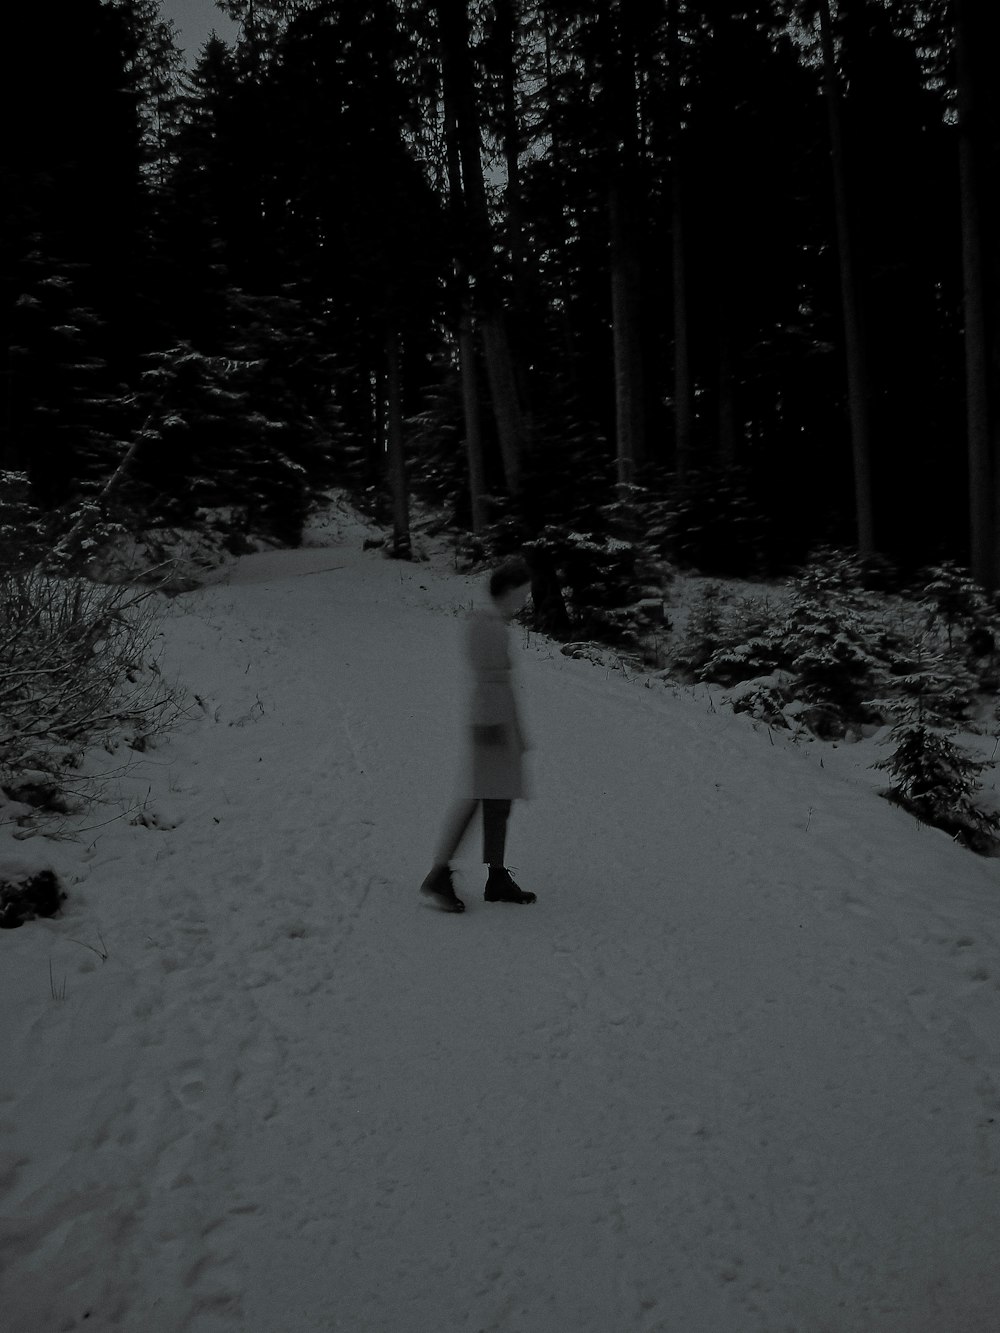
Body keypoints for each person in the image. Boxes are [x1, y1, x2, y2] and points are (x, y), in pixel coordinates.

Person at [420, 557, 537, 913]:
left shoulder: (493, 624)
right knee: (479, 798)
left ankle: (497, 876)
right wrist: (494, 729)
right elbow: (488, 683)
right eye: (523, 593)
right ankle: (439, 873)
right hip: (492, 725)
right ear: (508, 591)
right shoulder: (488, 626)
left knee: (498, 801)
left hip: (498, 723)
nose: (525, 600)